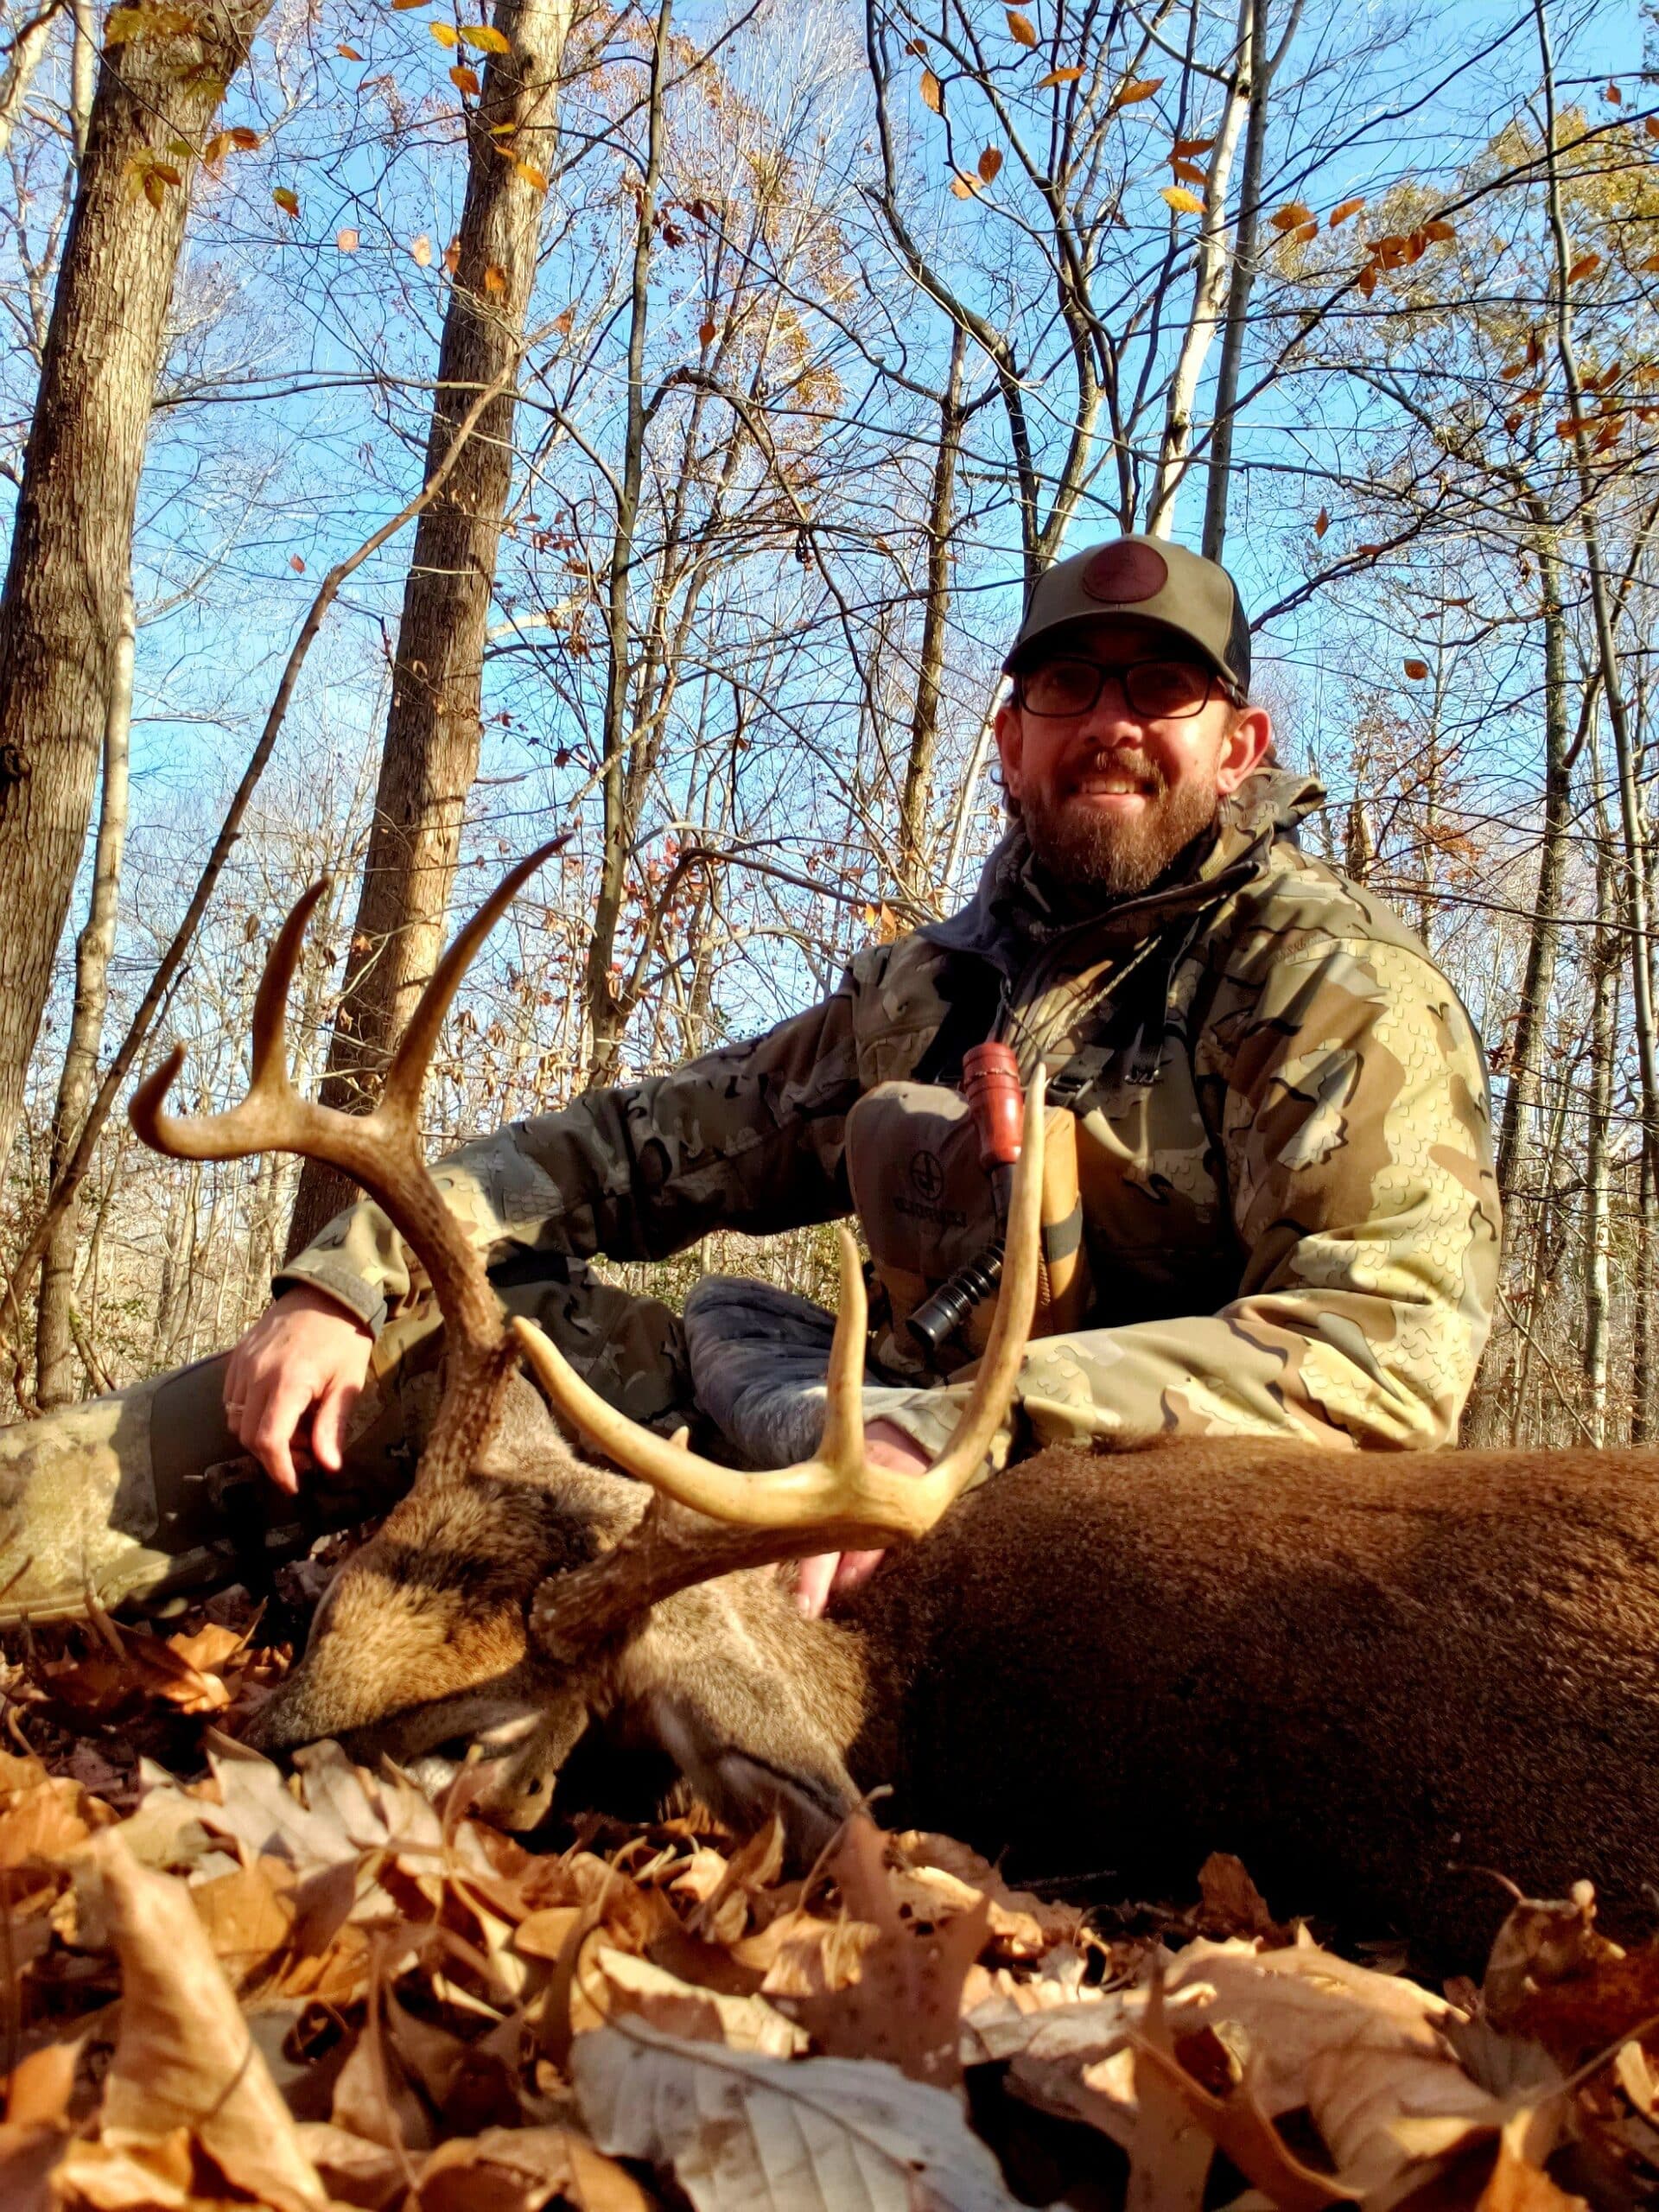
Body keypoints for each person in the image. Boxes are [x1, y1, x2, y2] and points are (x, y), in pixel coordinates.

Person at [0, 536, 1501, 1629]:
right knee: (489, 1340)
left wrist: (960, 1428)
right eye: (1068, 687)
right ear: (1010, 740)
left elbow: (1390, 1352)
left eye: (1161, 690)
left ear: (1236, 744)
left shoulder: (1332, 985)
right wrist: (349, 1277)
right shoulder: (926, 987)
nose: (1111, 722)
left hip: (1121, 1553)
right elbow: (624, 1153)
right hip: (817, 1490)